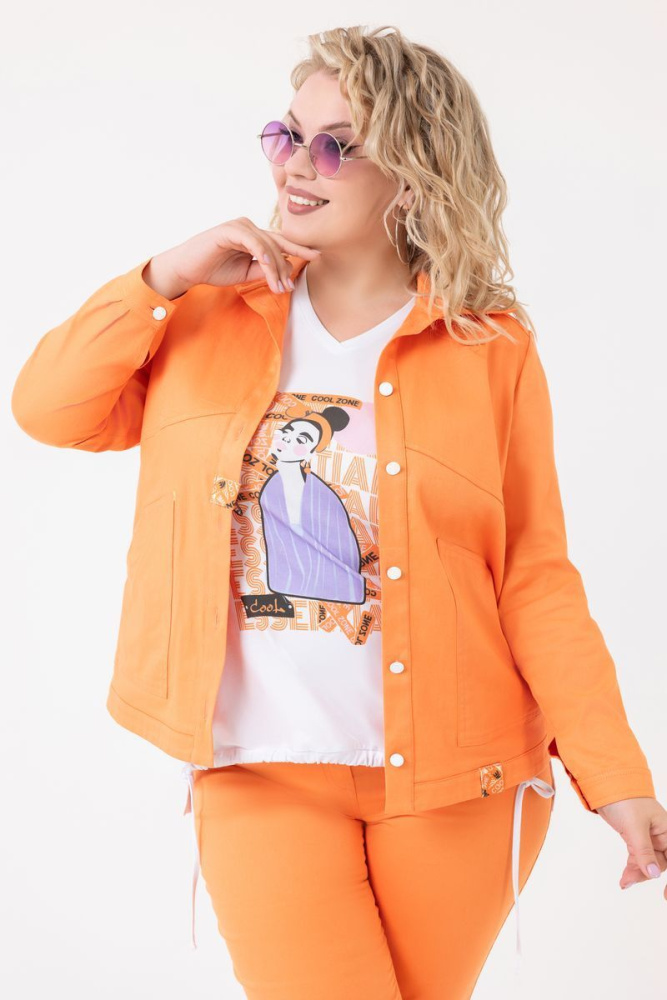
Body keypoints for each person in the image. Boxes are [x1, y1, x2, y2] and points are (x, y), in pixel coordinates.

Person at [11, 23, 666, 1000]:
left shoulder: (490, 346)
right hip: (260, 768)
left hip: (460, 784)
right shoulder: (200, 316)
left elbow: (533, 576)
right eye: (286, 133)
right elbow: (48, 410)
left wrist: (615, 778)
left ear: (413, 173)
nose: (294, 164)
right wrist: (162, 276)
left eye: (336, 145)